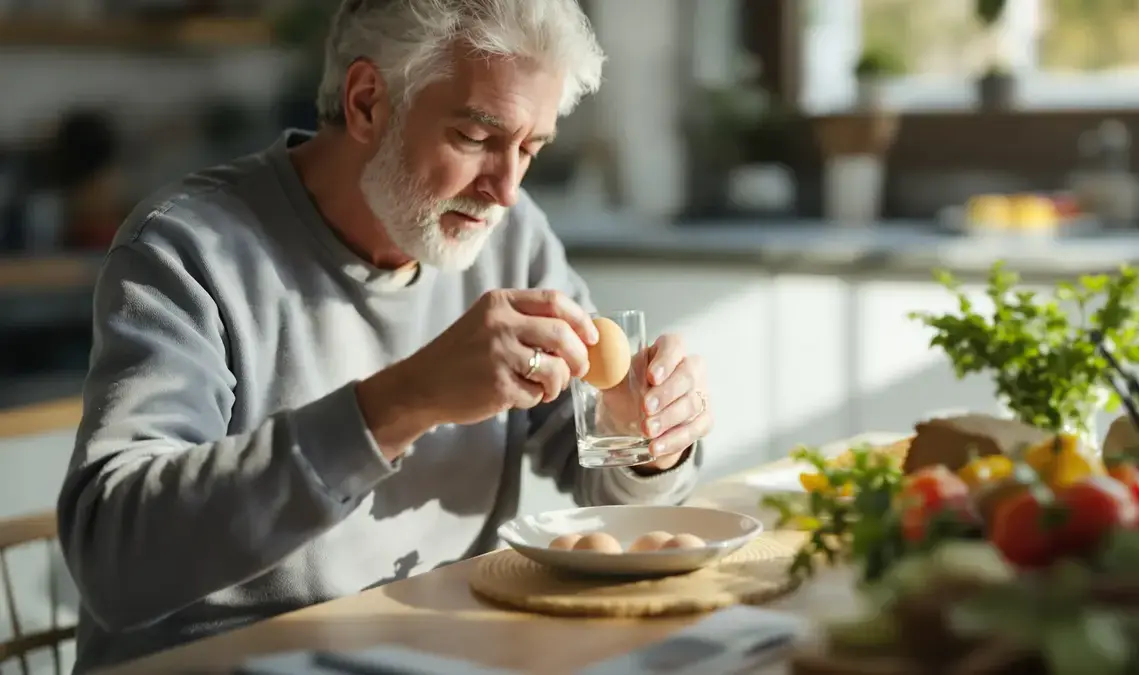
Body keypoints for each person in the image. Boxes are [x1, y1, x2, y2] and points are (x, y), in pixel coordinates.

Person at [56, 0, 714, 671]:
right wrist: (402, 401)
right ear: (368, 102)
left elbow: (601, 482)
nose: (506, 189)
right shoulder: (189, 249)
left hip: (436, 653)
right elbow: (114, 558)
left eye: (530, 148)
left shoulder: (510, 239)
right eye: (477, 138)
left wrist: (642, 440)